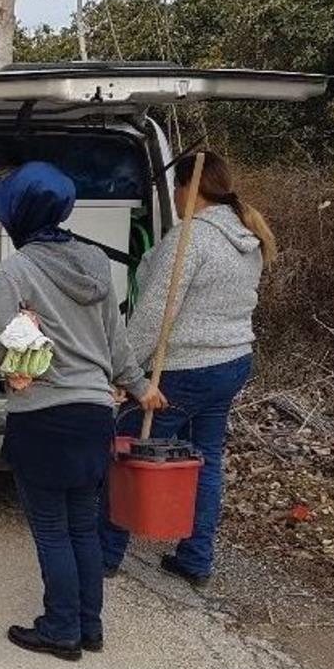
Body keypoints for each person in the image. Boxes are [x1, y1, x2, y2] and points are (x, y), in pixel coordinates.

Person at [0, 162, 166, 661]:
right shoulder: (96, 260)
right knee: (82, 526)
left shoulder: (20, 267)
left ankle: (60, 629)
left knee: (53, 530)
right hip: (94, 414)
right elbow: (115, 339)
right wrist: (139, 386)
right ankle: (89, 627)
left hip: (42, 416)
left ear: (19, 212)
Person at [99, 150, 275, 586]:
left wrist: (124, 373)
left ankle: (104, 554)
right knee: (207, 460)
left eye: (177, 192)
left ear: (186, 189)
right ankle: (196, 559)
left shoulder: (191, 239)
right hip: (232, 362)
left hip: (183, 369)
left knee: (125, 450)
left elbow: (154, 315)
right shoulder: (247, 236)